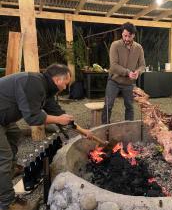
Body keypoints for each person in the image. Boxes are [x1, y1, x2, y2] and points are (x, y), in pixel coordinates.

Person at [0, 64, 93, 210]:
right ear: (57, 79)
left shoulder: (45, 88)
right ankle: (8, 202)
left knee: (14, 135)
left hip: (4, 118)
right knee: (3, 157)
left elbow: (58, 112)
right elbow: (32, 117)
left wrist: (83, 131)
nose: (66, 87)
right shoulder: (33, 84)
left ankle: (9, 170)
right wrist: (57, 120)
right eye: (66, 83)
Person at [102, 22, 145, 124]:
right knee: (108, 105)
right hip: (114, 81)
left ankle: (128, 130)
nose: (126, 38)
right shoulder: (115, 45)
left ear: (133, 35)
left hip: (129, 83)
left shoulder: (139, 48)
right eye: (124, 35)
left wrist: (138, 72)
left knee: (130, 107)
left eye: (129, 36)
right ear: (122, 33)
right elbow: (113, 65)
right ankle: (105, 129)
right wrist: (128, 72)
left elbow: (142, 65)